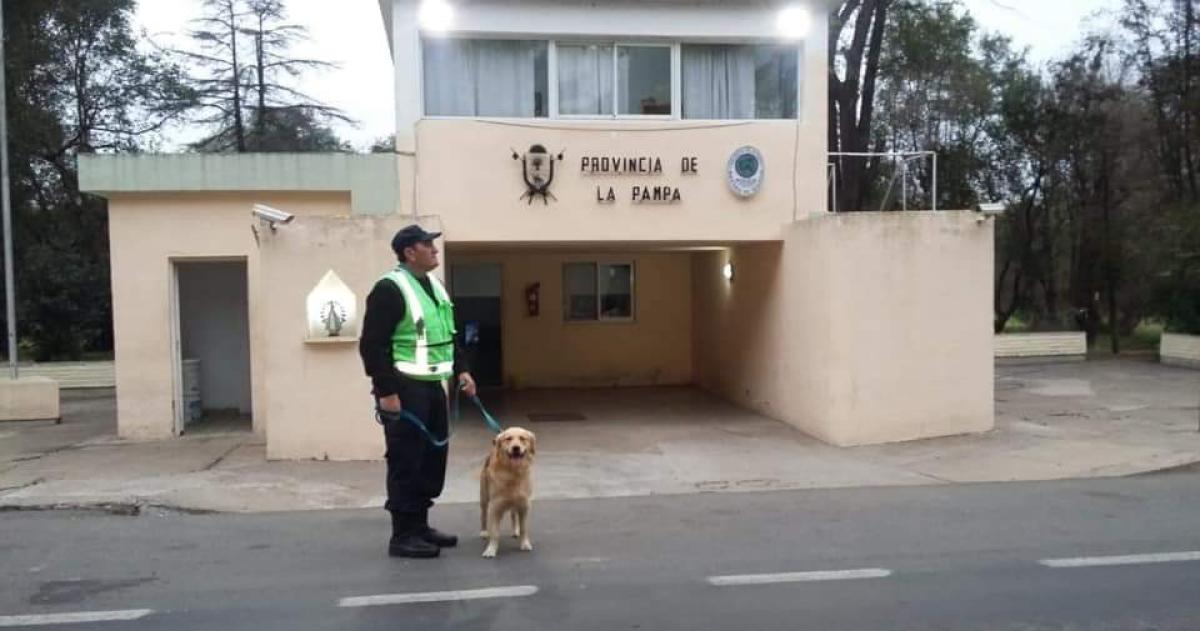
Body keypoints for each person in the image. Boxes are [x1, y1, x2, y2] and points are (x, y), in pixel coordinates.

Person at [359, 224, 477, 559]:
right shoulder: (390, 289)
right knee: (405, 459)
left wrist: (463, 370)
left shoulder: (436, 288)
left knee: (431, 458)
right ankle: (402, 535)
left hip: (433, 387)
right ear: (410, 252)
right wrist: (386, 392)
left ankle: (420, 525)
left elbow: (450, 336)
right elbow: (372, 345)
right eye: (428, 245)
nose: (435, 250)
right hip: (404, 389)